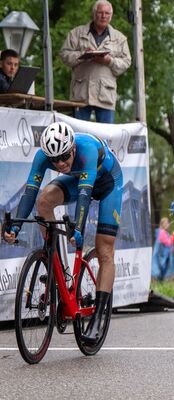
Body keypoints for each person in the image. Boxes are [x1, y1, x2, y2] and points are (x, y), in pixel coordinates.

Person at [3, 121, 123, 343]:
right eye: (54, 160)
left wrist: (77, 229)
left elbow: (84, 196)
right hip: (79, 180)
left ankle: (98, 318)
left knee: (104, 248)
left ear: (73, 148)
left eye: (64, 157)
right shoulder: (43, 157)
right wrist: (15, 226)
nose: (60, 163)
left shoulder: (86, 149)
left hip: (107, 184)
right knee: (44, 200)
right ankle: (55, 263)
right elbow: (30, 192)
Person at [60, 0, 131, 123]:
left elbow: (126, 62)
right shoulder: (76, 33)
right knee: (79, 135)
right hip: (81, 94)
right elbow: (64, 55)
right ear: (94, 14)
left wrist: (109, 61)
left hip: (106, 95)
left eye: (107, 13)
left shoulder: (120, 38)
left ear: (111, 16)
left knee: (106, 136)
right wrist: (82, 55)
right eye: (100, 12)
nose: (104, 16)